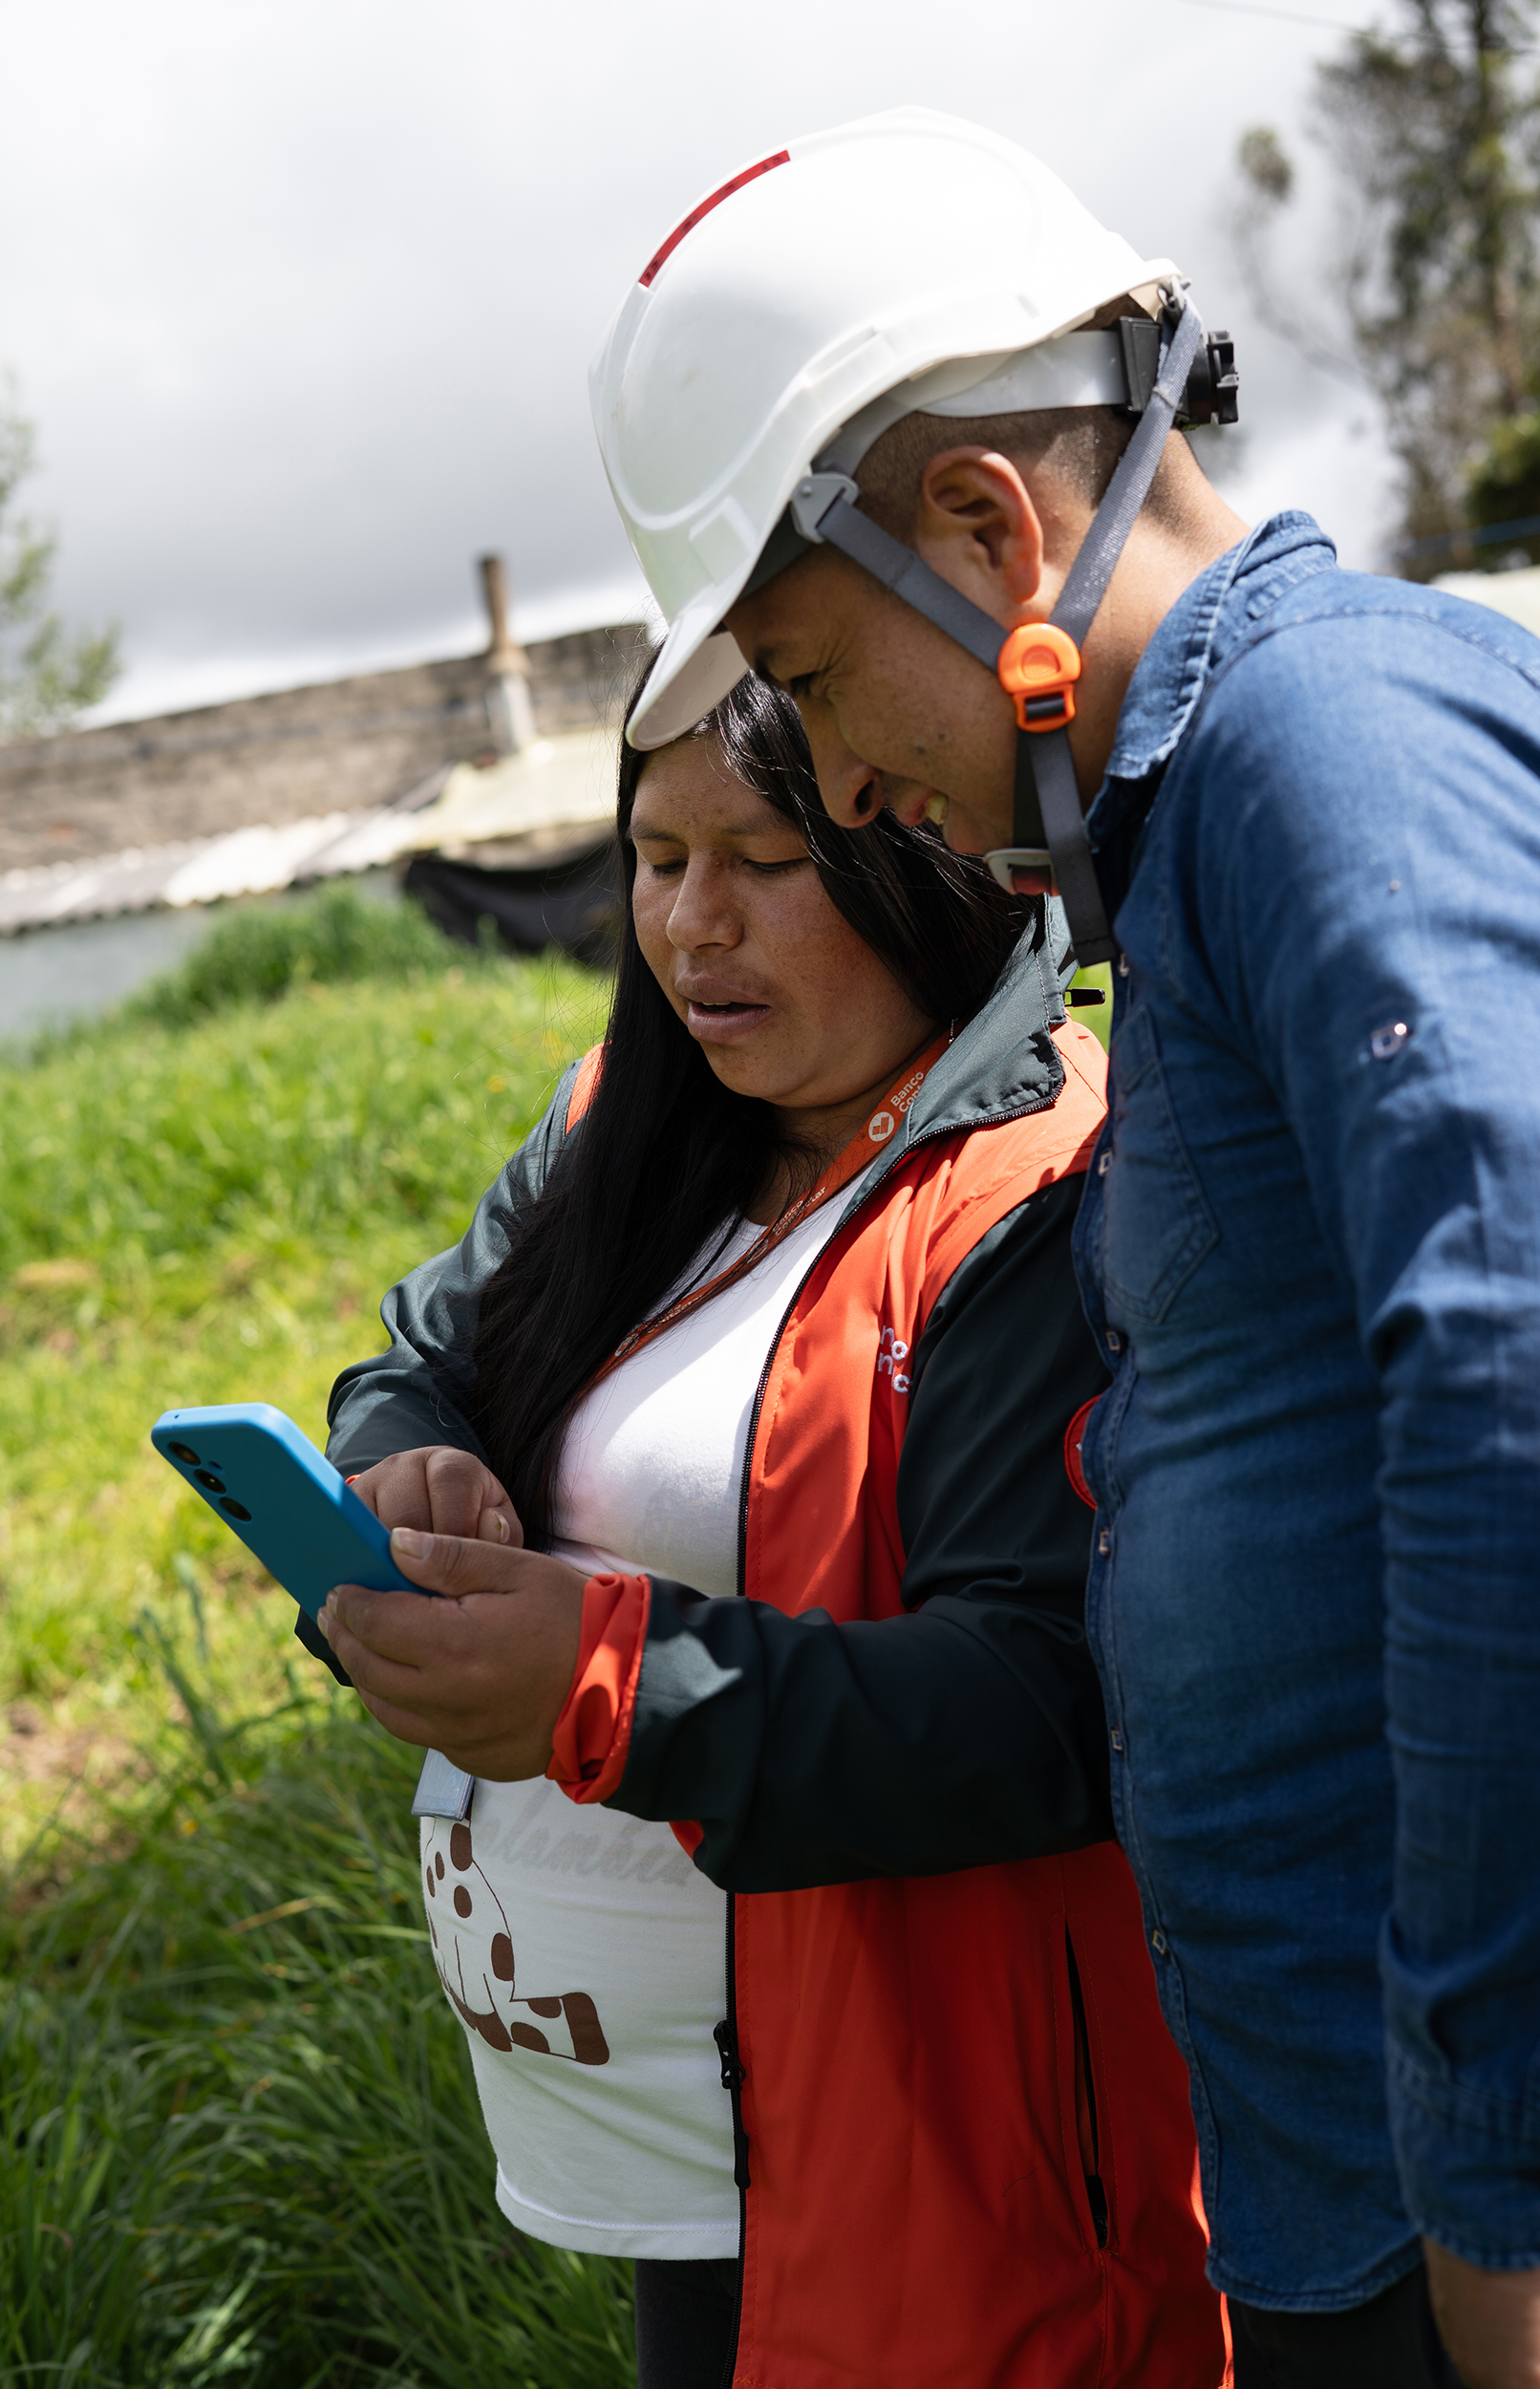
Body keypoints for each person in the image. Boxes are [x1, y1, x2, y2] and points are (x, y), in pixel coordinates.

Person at [574, 104, 1540, 2389]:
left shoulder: (1321, 734)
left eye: (809, 686)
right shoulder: (1185, 832)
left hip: (1459, 2246)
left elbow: (1508, 1387)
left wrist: (1506, 2170)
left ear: (988, 531)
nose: (835, 777)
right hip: (1341, 2197)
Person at [315, 662, 1229, 2386]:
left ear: (918, 853)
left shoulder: (1043, 1191)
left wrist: (598, 1689)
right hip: (657, 2157)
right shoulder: (624, 1121)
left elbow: (1042, 1701)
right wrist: (394, 1470)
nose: (689, 925)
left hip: (923, 2139)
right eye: (656, 857)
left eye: (762, 857)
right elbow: (421, 1353)